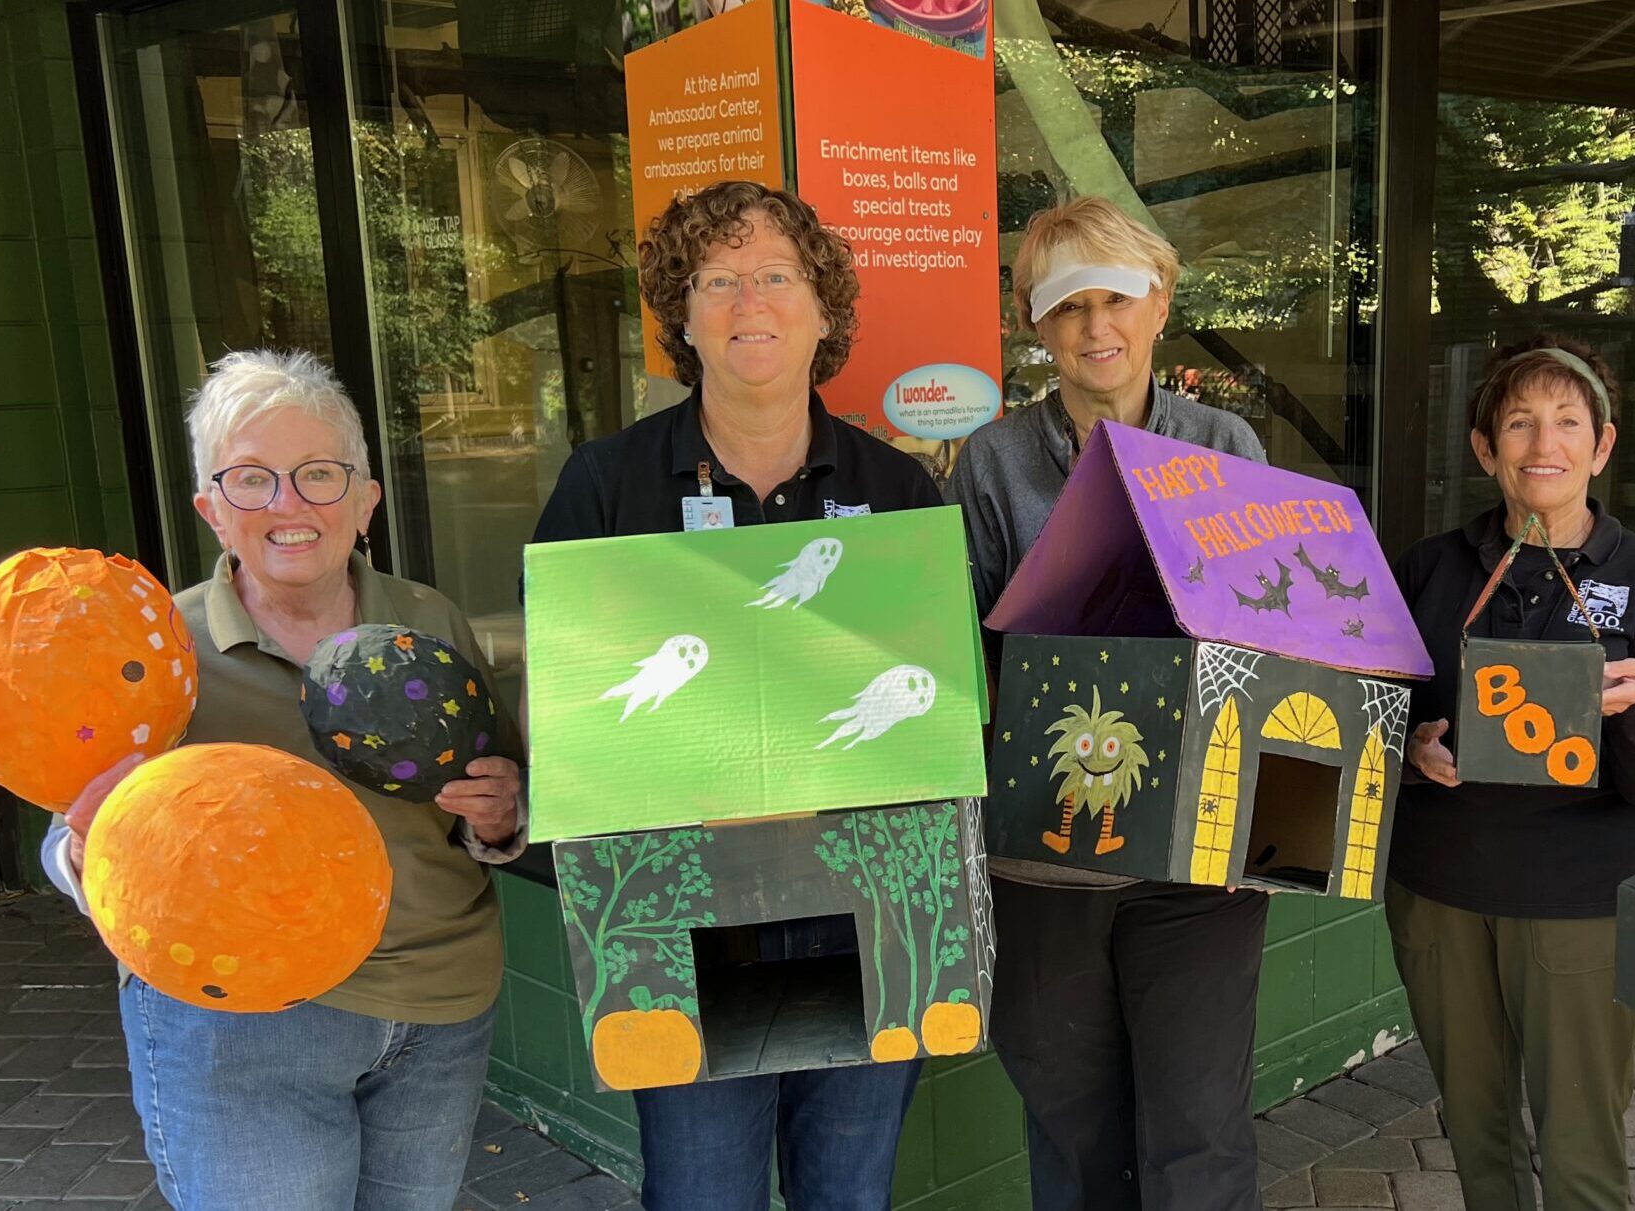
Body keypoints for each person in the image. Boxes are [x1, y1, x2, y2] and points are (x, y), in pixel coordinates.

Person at [531, 179, 941, 1211]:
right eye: (716, 279)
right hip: (684, 917)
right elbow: (570, 702)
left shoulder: (898, 493)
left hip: (858, 904)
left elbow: (940, 708)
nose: (747, 302)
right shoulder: (607, 484)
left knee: (846, 1193)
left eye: (773, 276)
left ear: (824, 308)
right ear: (681, 313)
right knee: (702, 1191)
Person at [41, 349, 528, 1211]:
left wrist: (495, 816)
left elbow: (494, 798)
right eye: (252, 480)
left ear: (366, 499)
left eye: (318, 474)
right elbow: (69, 843)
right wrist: (90, 845)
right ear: (211, 511)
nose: (289, 504)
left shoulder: (430, 620)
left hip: (439, 1004)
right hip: (244, 1025)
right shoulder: (155, 651)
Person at [945, 196, 1269, 1211]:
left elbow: (1276, 641)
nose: (1097, 326)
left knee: (1199, 1127)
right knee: (1073, 1121)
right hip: (1049, 849)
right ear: (1034, 325)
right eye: (1069, 304)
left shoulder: (1226, 445)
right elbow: (967, 661)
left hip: (1198, 846)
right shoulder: (992, 464)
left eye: (1117, 298)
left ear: (1159, 303)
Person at [1388, 335, 1635, 1211]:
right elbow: (1377, 721)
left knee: (1579, 1146)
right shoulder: (1429, 569)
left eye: (1568, 422)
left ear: (1601, 447)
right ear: (1486, 449)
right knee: (1476, 1130)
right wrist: (1415, 750)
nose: (1544, 444)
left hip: (1581, 904)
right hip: (1441, 889)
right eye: (1519, 423)